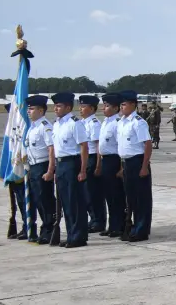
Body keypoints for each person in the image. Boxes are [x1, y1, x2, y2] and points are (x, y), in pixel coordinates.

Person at [50, 91, 90, 248]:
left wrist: (83, 169)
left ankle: (79, 236)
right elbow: (55, 148)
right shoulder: (57, 124)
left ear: (67, 107)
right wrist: (53, 168)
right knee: (65, 202)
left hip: (72, 164)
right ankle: (71, 233)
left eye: (58, 106)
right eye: (55, 106)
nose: (55, 109)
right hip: (61, 165)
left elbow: (84, 147)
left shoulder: (75, 123)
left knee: (75, 202)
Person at [117, 90, 153, 241]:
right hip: (126, 163)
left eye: (124, 104)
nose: (121, 107)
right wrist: (121, 167)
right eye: (121, 104)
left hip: (138, 162)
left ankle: (141, 230)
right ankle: (132, 228)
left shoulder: (138, 122)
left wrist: (144, 166)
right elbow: (123, 147)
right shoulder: (121, 122)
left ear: (133, 104)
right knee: (130, 198)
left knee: (141, 199)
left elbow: (148, 144)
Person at [24, 95, 57, 244]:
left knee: (46, 199)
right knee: (38, 199)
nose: (28, 111)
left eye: (31, 109)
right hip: (33, 166)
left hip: (43, 166)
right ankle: (45, 227)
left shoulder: (45, 126)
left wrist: (50, 171)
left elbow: (52, 150)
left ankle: (49, 229)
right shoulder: (33, 127)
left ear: (41, 110)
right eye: (28, 109)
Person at [96, 93, 125, 238]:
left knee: (116, 195)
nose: (104, 108)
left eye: (107, 106)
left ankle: (119, 225)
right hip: (105, 160)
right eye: (104, 105)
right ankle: (112, 225)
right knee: (108, 195)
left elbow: (120, 146)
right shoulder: (105, 122)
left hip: (115, 160)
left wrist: (121, 168)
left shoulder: (117, 123)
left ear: (115, 108)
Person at [77, 94, 105, 233]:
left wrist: (98, 165)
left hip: (93, 158)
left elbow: (98, 146)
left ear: (92, 108)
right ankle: (92, 218)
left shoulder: (94, 124)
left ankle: (98, 221)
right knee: (86, 193)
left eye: (83, 107)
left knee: (94, 193)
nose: (80, 109)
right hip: (84, 159)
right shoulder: (81, 123)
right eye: (80, 106)